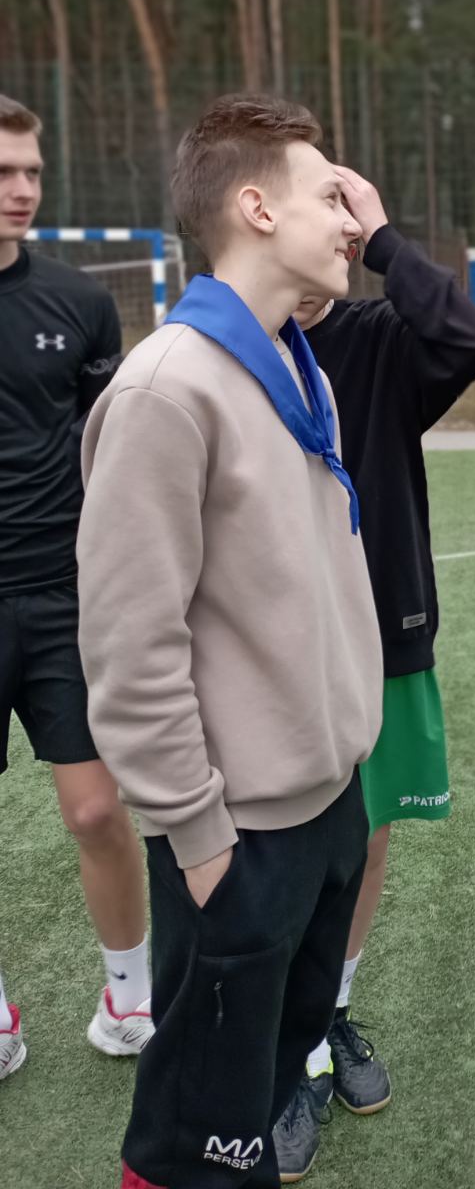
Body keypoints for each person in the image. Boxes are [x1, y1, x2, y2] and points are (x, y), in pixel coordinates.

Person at [76, 93, 383, 1189]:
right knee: (198, 1144)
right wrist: (200, 838)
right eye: (329, 197)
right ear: (255, 208)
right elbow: (129, 644)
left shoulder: (299, 363)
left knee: (261, 1094)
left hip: (327, 807)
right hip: (238, 835)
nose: (352, 221)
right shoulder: (167, 388)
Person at [272, 165, 475, 1180]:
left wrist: (383, 243)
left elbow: (471, 338)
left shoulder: (378, 340)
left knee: (364, 839)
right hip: (274, 649)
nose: (333, 226)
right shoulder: (225, 350)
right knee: (284, 850)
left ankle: (327, 1012)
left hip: (381, 632)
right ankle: (284, 1044)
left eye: (342, 210)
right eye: (317, 205)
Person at [0, 93, 151, 1061]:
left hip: (65, 596)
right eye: (3, 173)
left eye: (31, 172)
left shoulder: (82, 305)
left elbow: (117, 454)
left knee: (97, 808)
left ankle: (129, 997)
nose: (22, 190)